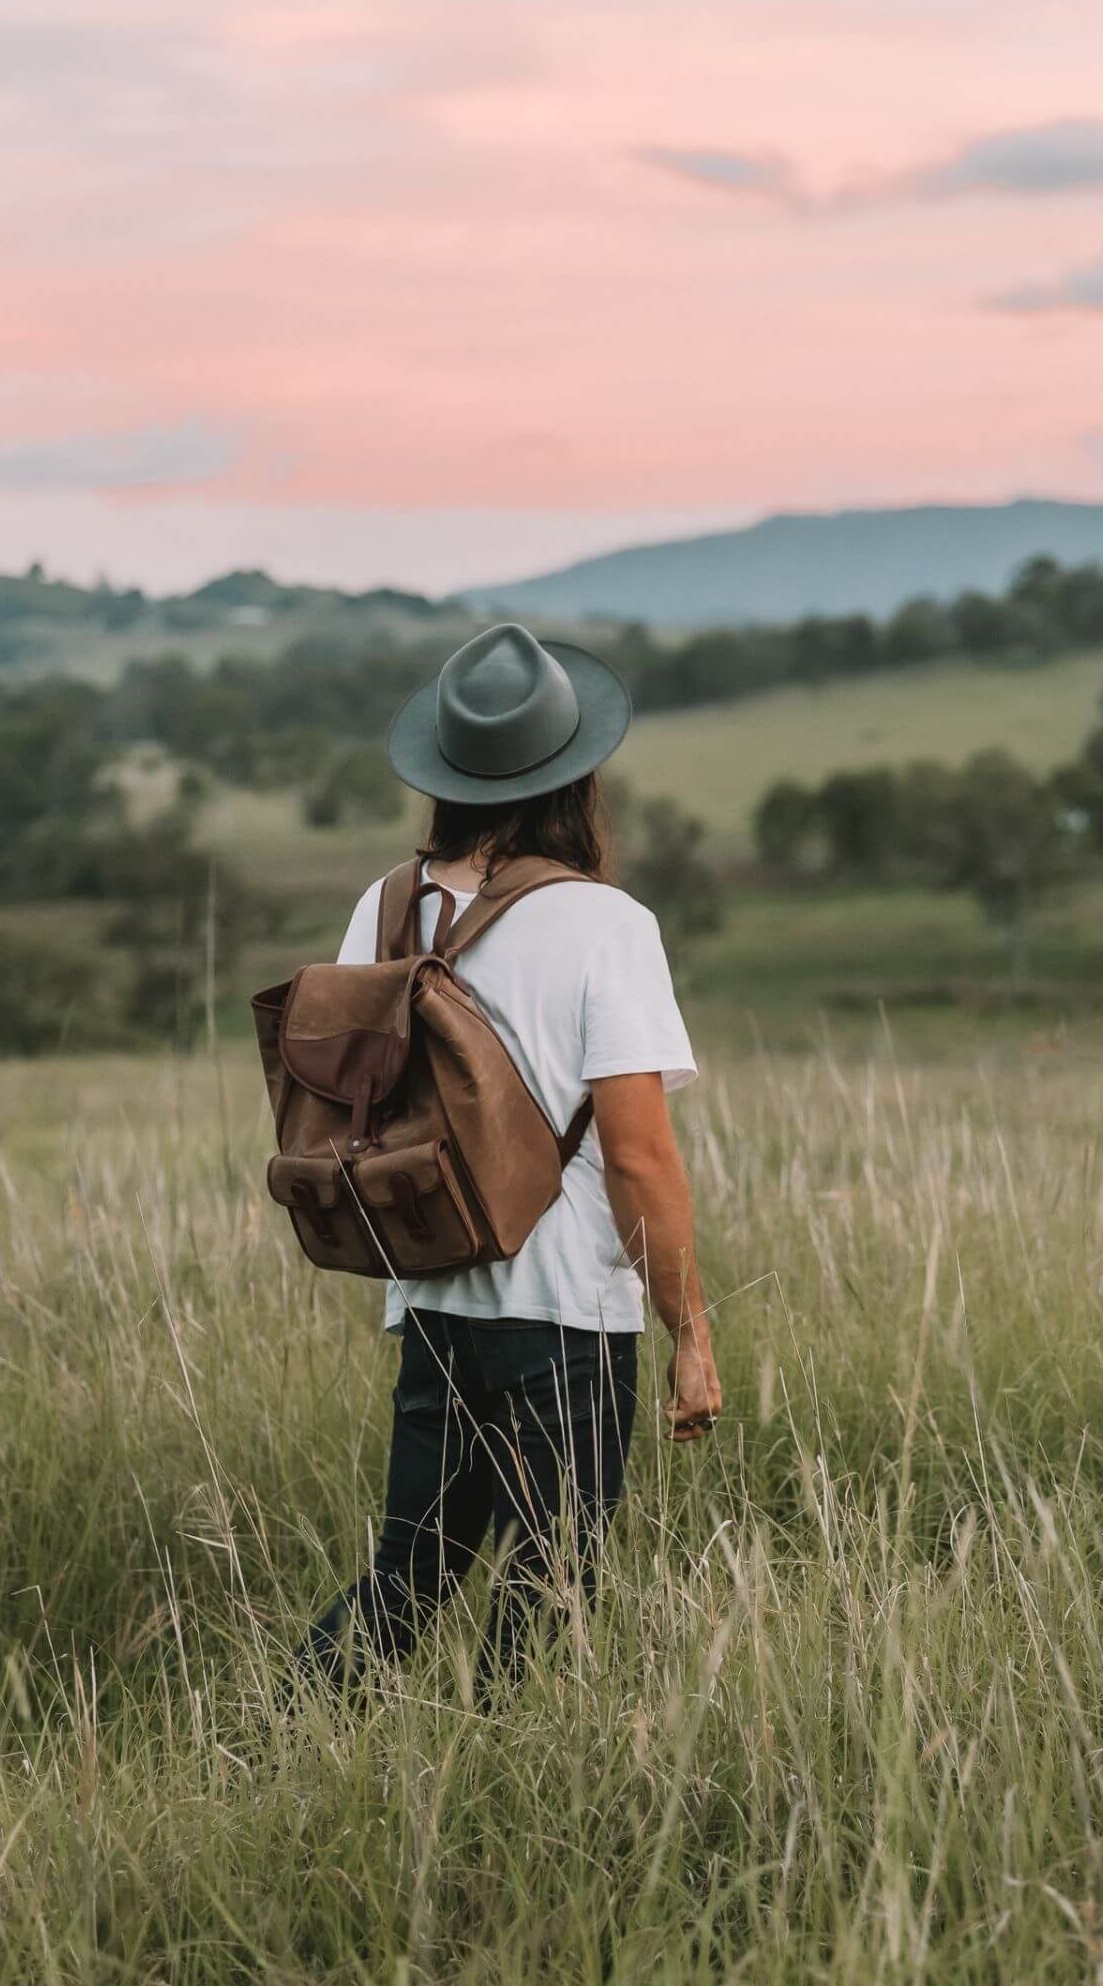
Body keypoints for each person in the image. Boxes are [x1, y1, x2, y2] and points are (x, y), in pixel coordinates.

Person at [299, 621, 721, 1697]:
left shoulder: (386, 905)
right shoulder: (604, 923)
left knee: (409, 1575)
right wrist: (690, 1330)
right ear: (576, 775)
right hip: (566, 1308)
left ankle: (264, 1741)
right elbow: (639, 1158)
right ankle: (506, 1767)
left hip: (432, 1292)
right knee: (551, 1582)